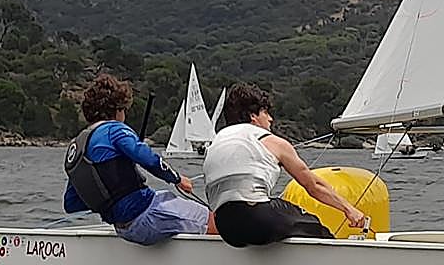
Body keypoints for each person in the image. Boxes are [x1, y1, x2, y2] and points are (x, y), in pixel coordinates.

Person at [204, 82, 367, 247]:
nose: (270, 118)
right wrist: (349, 209)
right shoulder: (272, 141)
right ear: (253, 116)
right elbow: (314, 186)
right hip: (257, 219)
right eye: (265, 112)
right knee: (313, 225)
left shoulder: (216, 142)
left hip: (226, 229)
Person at [63, 73, 214, 245]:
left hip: (123, 228)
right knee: (212, 220)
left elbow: (71, 204)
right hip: (146, 214)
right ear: (118, 109)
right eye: (124, 110)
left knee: (166, 199)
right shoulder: (115, 130)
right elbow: (148, 159)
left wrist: (110, 198)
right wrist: (178, 179)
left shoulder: (78, 146)